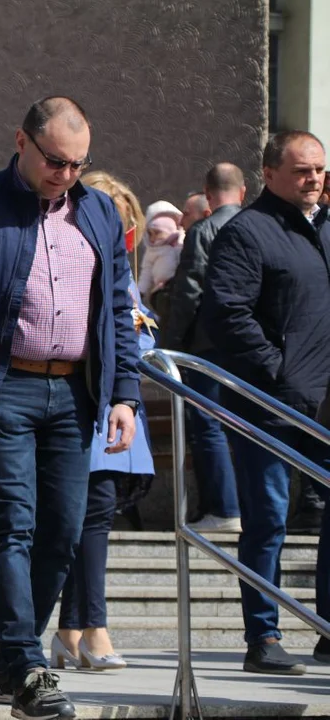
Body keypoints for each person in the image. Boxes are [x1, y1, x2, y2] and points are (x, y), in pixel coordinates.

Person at [0, 96, 140, 719]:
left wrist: (125, 394)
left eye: (78, 163)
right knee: (13, 527)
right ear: (22, 142)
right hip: (4, 388)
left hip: (76, 394)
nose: (66, 173)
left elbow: (117, 310)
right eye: (55, 160)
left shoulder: (99, 211)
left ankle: (11, 667)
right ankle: (27, 666)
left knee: (62, 534)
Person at [203, 130, 330, 675]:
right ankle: (264, 636)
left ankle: (327, 629)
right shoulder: (248, 231)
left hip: (325, 403)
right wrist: (277, 368)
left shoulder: (325, 229)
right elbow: (227, 311)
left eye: (320, 170)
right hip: (270, 404)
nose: (314, 180)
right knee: (268, 520)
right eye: (303, 170)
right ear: (270, 173)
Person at [53, 170, 157, 672]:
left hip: (116, 417)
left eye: (125, 221)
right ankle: (92, 628)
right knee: (88, 522)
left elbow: (141, 335)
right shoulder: (77, 265)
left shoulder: (123, 275)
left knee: (91, 521)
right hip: (85, 409)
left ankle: (71, 630)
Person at [161, 163, 246, 533]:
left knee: (207, 425)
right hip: (253, 348)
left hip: (209, 346)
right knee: (247, 426)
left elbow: (190, 291)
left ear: (207, 196)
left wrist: (171, 343)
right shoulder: (260, 227)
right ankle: (247, 506)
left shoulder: (205, 230)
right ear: (243, 192)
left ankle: (225, 508)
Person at [137, 200, 185, 305]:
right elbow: (146, 272)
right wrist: (140, 292)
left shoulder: (181, 243)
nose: (153, 238)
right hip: (160, 289)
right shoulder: (152, 250)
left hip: (180, 288)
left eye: (157, 233)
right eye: (150, 234)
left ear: (169, 230)